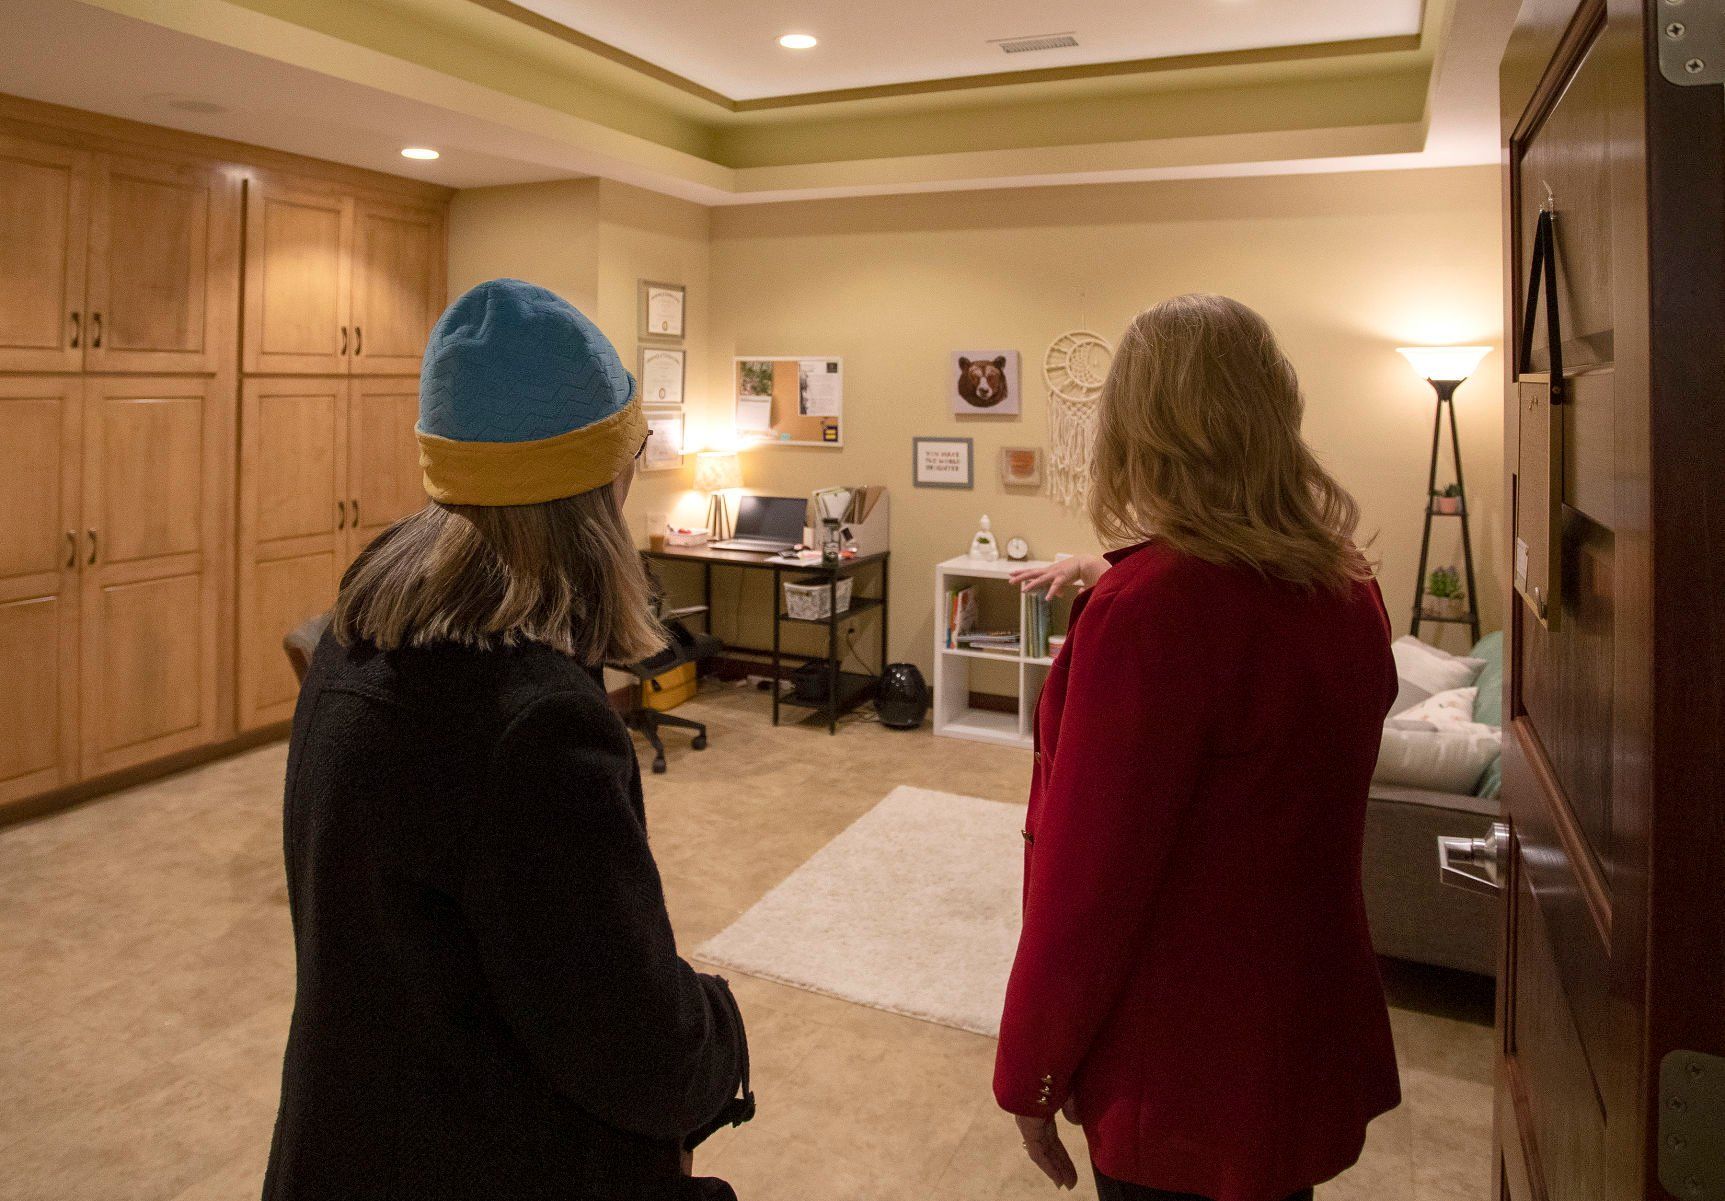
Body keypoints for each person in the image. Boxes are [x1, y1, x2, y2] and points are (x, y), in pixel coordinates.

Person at [264, 279, 753, 1201]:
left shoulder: (351, 636)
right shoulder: (535, 724)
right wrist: (721, 1028)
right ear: (599, 479)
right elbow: (634, 1044)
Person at [995, 294, 1401, 1201]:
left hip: (1180, 1059)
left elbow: (1086, 886)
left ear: (1136, 428)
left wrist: (1031, 1069)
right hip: (1297, 1027)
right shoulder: (1344, 585)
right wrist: (1110, 566)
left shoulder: (1150, 617)